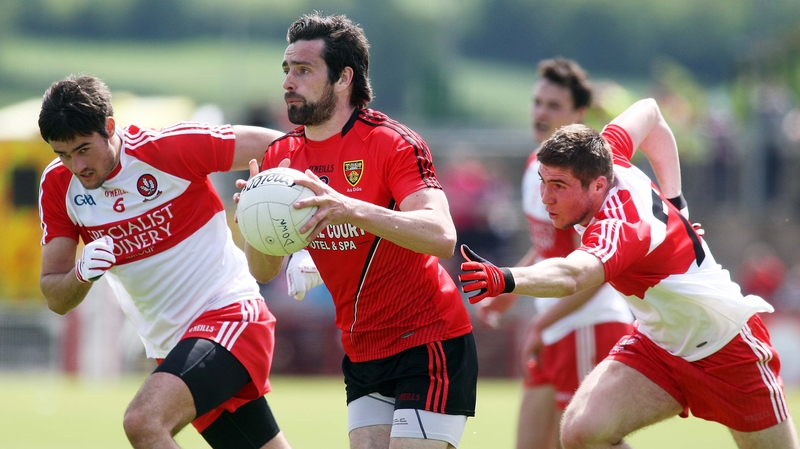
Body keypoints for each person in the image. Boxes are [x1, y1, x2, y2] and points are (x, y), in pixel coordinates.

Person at [459, 98, 799, 449]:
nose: (546, 197)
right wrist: (677, 203)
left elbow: (574, 276)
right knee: (580, 431)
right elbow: (650, 111)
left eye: (558, 186)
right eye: (543, 182)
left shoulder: (621, 225)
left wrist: (505, 279)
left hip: (725, 346)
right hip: (659, 344)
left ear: (598, 185)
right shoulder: (604, 153)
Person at [238, 12, 477, 449]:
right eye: (287, 70)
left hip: (428, 340)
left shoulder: (392, 143)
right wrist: (255, 223)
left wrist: (349, 208)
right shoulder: (281, 157)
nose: (289, 81)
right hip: (362, 349)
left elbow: (442, 234)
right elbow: (265, 270)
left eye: (304, 70)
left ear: (344, 77)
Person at [37, 74, 292, 449]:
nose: (76, 165)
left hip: (231, 316)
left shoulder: (168, 149)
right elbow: (55, 295)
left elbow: (282, 146)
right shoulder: (58, 186)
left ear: (109, 127)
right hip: (174, 349)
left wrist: (303, 237)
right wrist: (81, 274)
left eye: (83, 149)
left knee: (143, 422)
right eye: (62, 154)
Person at [476, 57, 633, 449]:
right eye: (537, 102)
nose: (541, 112)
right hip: (556, 325)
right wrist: (507, 291)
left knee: (595, 443)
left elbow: (598, 270)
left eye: (553, 105)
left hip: (587, 324)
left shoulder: (586, 180)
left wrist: (541, 324)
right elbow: (549, 247)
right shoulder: (538, 167)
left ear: (579, 115)